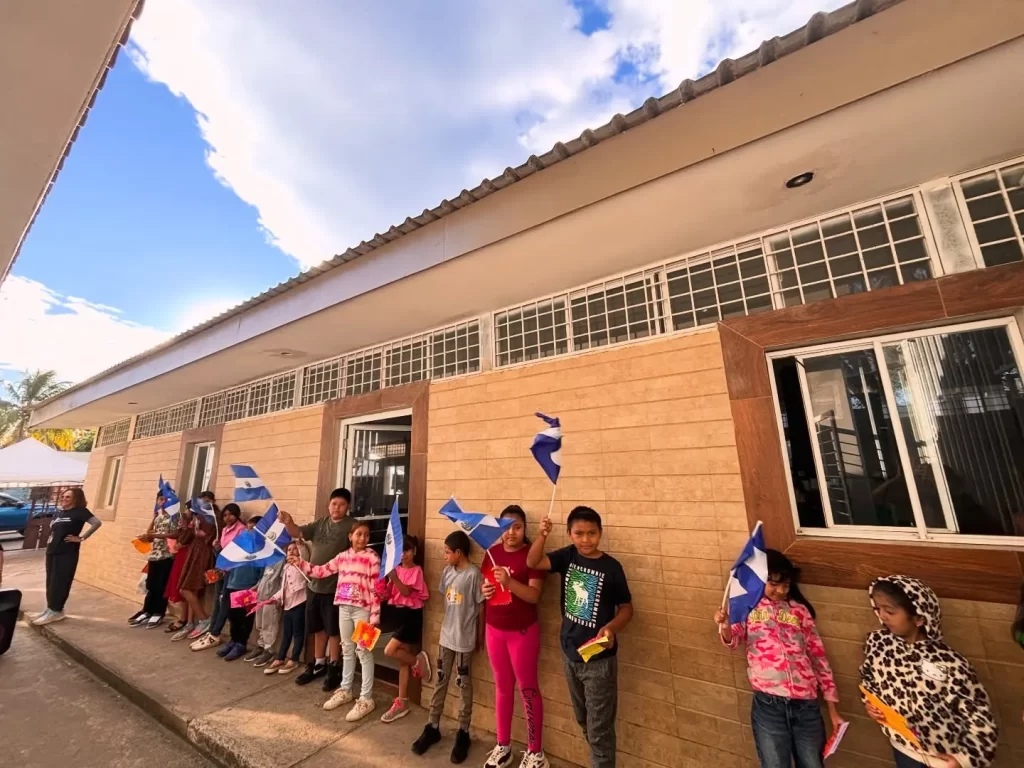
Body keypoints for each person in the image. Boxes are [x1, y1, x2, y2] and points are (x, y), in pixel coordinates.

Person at [527, 506, 632, 768]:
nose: (586, 539)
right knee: (584, 720)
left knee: (599, 730)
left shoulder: (612, 567)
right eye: (579, 533)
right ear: (569, 534)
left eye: (592, 533)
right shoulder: (568, 556)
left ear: (600, 533)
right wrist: (542, 535)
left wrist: (611, 628)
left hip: (599, 660)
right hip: (570, 654)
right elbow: (533, 563)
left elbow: (627, 609)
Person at [714, 549, 840, 768]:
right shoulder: (747, 608)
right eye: (773, 584)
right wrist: (724, 625)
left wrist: (832, 710)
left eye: (786, 585)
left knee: (812, 763)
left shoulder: (799, 611)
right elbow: (733, 641)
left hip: (806, 705)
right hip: (768, 705)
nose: (781, 590)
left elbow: (819, 658)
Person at [860, 576, 998, 768]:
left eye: (890, 611)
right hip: (902, 748)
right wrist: (870, 703)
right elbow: (868, 679)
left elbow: (979, 717)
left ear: (919, 619)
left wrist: (965, 760)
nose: (882, 616)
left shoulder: (950, 663)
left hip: (942, 759)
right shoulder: (878, 644)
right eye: (877, 608)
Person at [289, 518, 381, 722]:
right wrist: (301, 563)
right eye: (359, 534)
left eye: (366, 535)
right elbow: (321, 571)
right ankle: (345, 689)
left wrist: (375, 616)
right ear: (350, 536)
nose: (363, 538)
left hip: (363, 611)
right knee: (346, 649)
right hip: (344, 608)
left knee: (364, 652)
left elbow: (376, 589)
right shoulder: (342, 557)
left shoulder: (372, 557)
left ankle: (366, 698)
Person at [480, 505, 548, 768]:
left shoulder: (532, 557)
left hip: (523, 633)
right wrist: (486, 590)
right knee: (502, 688)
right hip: (494, 630)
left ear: (524, 529)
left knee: (528, 689)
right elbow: (487, 585)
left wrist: (509, 583)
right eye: (506, 528)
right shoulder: (492, 553)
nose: (511, 533)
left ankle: (536, 753)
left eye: (517, 527)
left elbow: (534, 596)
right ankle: (503, 746)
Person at [411, 530, 484, 765]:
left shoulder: (474, 575)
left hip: (464, 639)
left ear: (459, 553)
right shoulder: (447, 572)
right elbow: (447, 601)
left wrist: (480, 636)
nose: (444, 556)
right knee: (441, 680)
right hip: (446, 637)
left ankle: (463, 731)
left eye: (447, 552)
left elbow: (481, 607)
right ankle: (432, 725)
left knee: (463, 683)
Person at [277, 489, 353, 691]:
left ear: (348, 507)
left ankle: (334, 667)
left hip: (335, 587)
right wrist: (288, 522)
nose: (337, 508)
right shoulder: (320, 524)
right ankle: (318, 663)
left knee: (333, 630)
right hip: (314, 584)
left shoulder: (351, 526)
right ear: (329, 505)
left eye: (342, 504)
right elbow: (297, 532)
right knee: (318, 628)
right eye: (334, 503)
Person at [380, 535, 431, 724]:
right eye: (400, 551)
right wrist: (384, 588)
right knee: (402, 661)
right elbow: (391, 593)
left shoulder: (416, 571)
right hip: (399, 614)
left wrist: (394, 578)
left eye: (407, 550)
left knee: (389, 651)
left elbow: (407, 592)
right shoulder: (397, 569)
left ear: (414, 551)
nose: (404, 555)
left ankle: (418, 662)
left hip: (411, 616)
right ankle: (402, 701)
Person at [33, 488, 102, 627]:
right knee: (51, 581)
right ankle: (51, 608)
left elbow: (97, 523)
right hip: (52, 550)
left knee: (60, 581)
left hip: (67, 552)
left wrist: (81, 537)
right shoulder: (61, 512)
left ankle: (56, 611)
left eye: (68, 497)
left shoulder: (80, 511)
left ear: (76, 499)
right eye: (63, 496)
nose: (64, 499)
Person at [190, 503, 244, 651]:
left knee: (225, 601)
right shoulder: (225, 529)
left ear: (237, 514)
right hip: (221, 568)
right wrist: (216, 548)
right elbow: (222, 551)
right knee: (217, 600)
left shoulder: (241, 529)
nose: (227, 518)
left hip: (232, 571)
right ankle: (211, 630)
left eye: (230, 514)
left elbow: (241, 552)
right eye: (225, 515)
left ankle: (215, 633)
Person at [217, 515, 264, 661]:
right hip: (233, 584)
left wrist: (255, 587)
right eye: (248, 530)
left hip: (248, 588)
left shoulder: (262, 551)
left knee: (245, 618)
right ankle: (234, 640)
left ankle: (241, 644)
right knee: (233, 616)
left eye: (253, 530)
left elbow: (263, 573)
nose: (249, 533)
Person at [127, 493, 177, 630]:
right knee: (151, 585)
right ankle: (147, 610)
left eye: (166, 499)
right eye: (161, 499)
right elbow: (150, 533)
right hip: (154, 556)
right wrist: (152, 522)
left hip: (166, 556)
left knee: (161, 586)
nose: (163, 502)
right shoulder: (158, 517)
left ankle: (159, 612)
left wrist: (156, 535)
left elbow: (175, 534)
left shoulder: (173, 517)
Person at [264, 540, 310, 675]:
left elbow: (304, 555)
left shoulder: (302, 565)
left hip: (299, 603)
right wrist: (275, 597)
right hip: (287, 605)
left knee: (298, 633)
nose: (291, 551)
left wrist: (300, 543)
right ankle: (280, 658)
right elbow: (284, 588)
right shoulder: (286, 568)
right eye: (289, 550)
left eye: (294, 549)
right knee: (286, 634)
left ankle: (294, 659)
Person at [177, 492, 218, 641]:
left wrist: (204, 536)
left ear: (213, 501)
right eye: (202, 502)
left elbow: (216, 538)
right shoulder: (198, 516)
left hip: (203, 555)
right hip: (193, 553)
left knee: (186, 588)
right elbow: (185, 538)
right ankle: (190, 623)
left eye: (207, 501)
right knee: (187, 588)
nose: (204, 504)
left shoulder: (215, 517)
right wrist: (186, 526)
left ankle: (204, 619)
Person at [245, 549, 285, 666]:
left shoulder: (283, 561)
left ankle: (269, 650)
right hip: (261, 597)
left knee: (269, 625)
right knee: (260, 623)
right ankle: (261, 646)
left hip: (271, 599)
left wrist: (278, 597)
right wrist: (257, 586)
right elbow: (265, 577)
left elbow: (283, 581)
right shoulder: (269, 559)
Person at [163, 502, 194, 636]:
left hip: (187, 558)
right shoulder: (184, 526)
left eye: (188, 509)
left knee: (185, 587)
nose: (186, 511)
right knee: (178, 585)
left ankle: (185, 619)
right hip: (180, 557)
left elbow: (186, 540)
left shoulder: (194, 526)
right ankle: (184, 618)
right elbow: (176, 536)